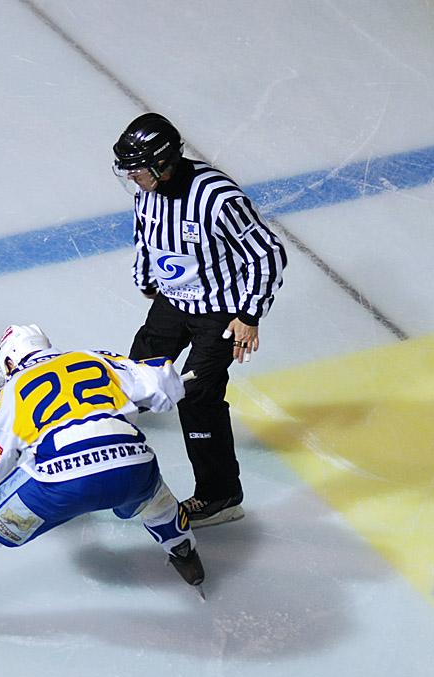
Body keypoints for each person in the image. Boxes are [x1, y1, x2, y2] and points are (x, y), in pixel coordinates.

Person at [0, 324, 204, 631]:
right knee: (157, 502)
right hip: (132, 459)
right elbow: (165, 383)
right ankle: (186, 557)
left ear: (10, 360)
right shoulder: (94, 358)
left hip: (60, 478)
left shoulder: (9, 391)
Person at [112, 113, 287, 528]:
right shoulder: (146, 190)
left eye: (138, 169)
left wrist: (249, 315)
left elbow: (267, 254)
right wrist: (145, 277)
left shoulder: (217, 197)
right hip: (173, 304)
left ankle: (220, 495)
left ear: (163, 162)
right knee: (130, 374)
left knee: (198, 400)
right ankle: (102, 457)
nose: (132, 177)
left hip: (220, 316)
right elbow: (145, 233)